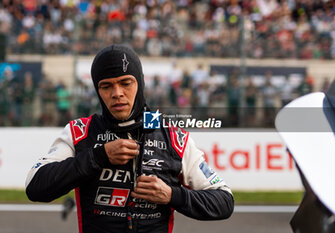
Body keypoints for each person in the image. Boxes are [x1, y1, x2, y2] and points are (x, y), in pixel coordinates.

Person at [25, 44, 234, 233]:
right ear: (98, 91)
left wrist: (172, 195)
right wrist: (99, 156)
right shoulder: (80, 131)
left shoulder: (173, 136)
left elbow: (224, 201)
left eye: (126, 83)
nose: (117, 93)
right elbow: (35, 187)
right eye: (106, 86)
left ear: (140, 84)